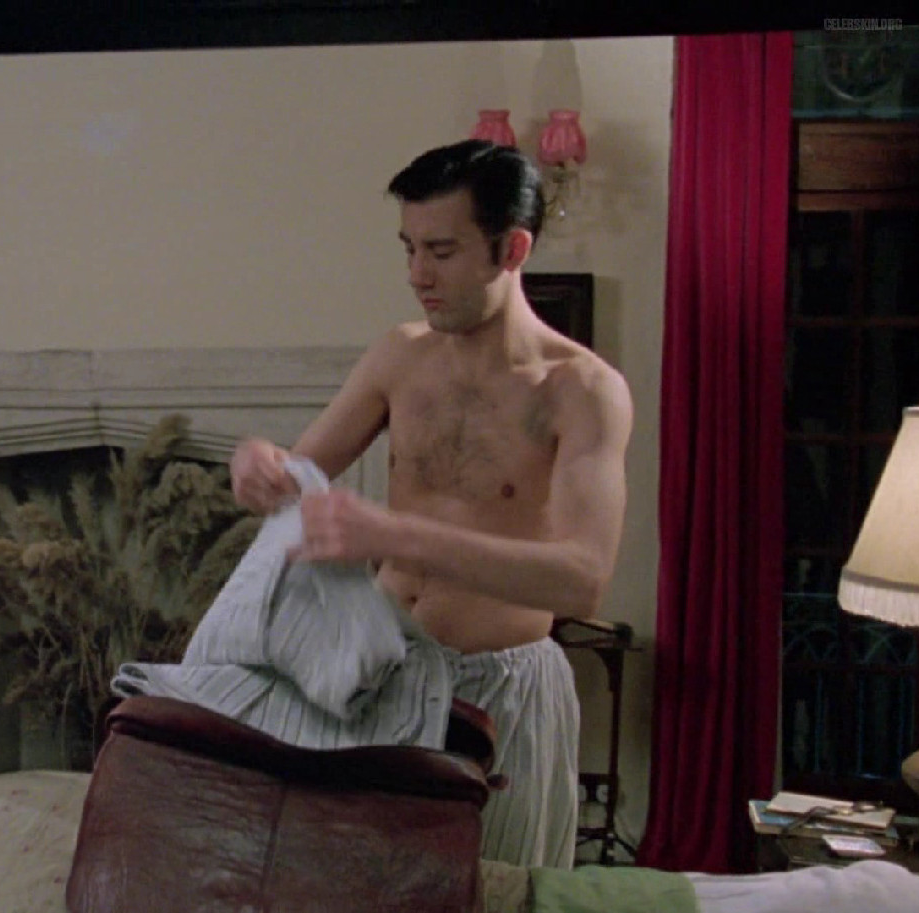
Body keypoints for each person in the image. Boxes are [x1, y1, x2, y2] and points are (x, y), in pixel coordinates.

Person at [229, 139, 633, 869]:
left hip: (502, 691)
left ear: (512, 248)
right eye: (409, 248)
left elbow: (582, 578)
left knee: (492, 897)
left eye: (441, 251)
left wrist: (395, 535)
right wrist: (256, 461)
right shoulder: (398, 355)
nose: (418, 274)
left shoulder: (581, 390)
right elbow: (298, 472)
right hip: (381, 675)